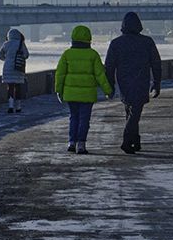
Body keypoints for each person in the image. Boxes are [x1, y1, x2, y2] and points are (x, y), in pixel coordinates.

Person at [104, 11, 163, 154]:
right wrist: (156, 83)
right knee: (135, 112)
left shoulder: (116, 43)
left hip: (123, 82)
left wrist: (110, 85)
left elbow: (109, 67)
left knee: (131, 111)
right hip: (141, 80)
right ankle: (127, 141)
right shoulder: (147, 42)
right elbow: (156, 64)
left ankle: (134, 142)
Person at [54, 24, 112, 155]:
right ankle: (81, 144)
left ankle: (71, 142)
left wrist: (58, 90)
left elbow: (60, 74)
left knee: (73, 117)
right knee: (84, 119)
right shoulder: (93, 55)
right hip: (87, 94)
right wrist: (108, 90)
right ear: (88, 38)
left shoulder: (67, 54)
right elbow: (100, 75)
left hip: (71, 94)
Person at [0, 27, 29, 113]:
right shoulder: (21, 44)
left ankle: (10, 106)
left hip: (8, 68)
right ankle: (18, 107)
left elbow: (0, 55)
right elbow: (26, 55)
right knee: (18, 87)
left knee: (10, 87)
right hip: (18, 68)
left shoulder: (6, 44)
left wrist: (7, 59)